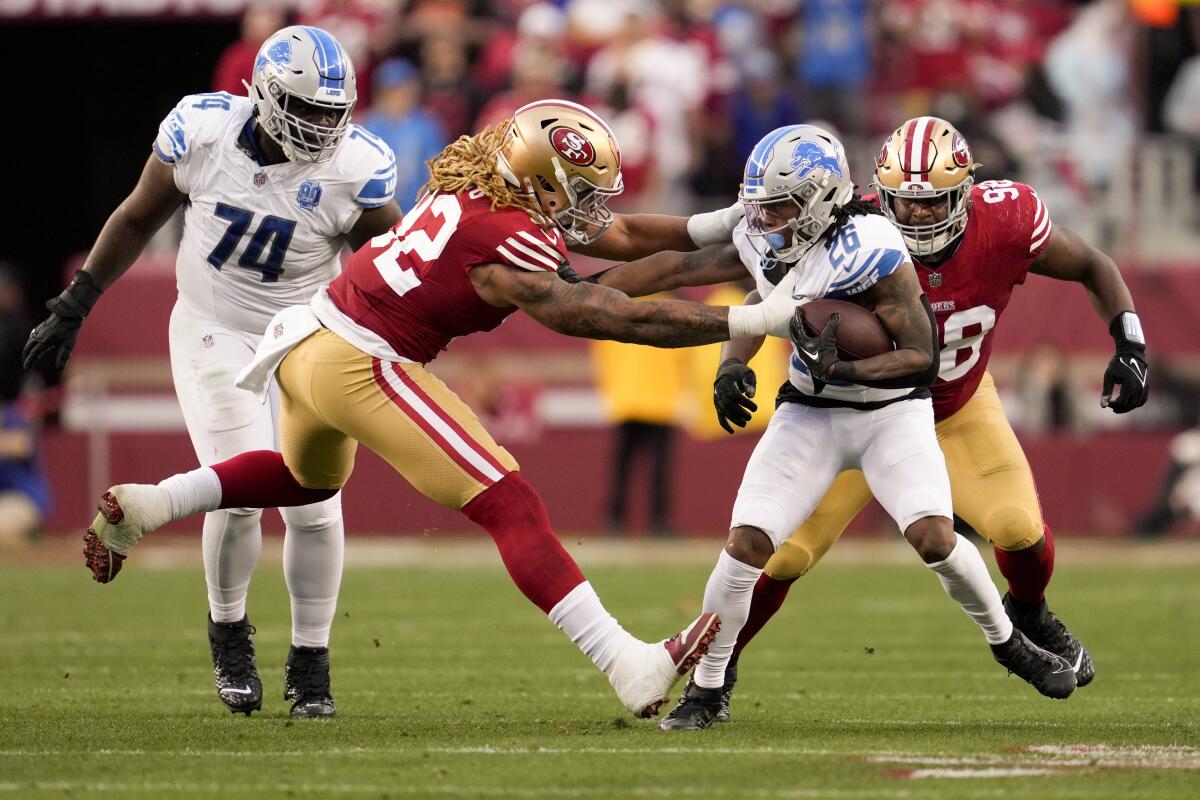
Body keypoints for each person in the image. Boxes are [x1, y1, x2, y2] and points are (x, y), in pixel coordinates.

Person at [77, 100, 799, 720]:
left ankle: (152, 504)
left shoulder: (479, 185)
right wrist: (751, 323)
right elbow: (602, 314)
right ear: (541, 182)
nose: (587, 207)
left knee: (306, 482)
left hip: (308, 342)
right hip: (363, 359)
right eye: (575, 191)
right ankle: (625, 662)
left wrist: (719, 225)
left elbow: (619, 239)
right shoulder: (505, 235)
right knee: (509, 501)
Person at [591, 124, 1081, 731]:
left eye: (781, 207)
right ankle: (710, 687)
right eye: (762, 208)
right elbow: (683, 267)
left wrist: (846, 364)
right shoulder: (765, 233)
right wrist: (591, 300)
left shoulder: (873, 242)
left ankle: (1011, 643)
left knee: (933, 534)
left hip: (892, 410)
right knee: (748, 548)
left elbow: (920, 353)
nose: (767, 221)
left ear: (820, 198)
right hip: (810, 410)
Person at [23, 26, 404, 719]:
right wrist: (78, 300)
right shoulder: (202, 132)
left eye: (332, 112)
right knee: (241, 486)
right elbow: (139, 216)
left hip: (305, 339)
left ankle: (311, 665)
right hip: (214, 328)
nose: (322, 126)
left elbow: (396, 265)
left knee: (317, 507)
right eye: (307, 110)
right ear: (262, 94)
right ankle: (229, 632)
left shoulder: (356, 169)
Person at [717, 117, 1150, 723]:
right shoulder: (850, 226)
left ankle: (1029, 612)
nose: (916, 217)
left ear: (966, 192)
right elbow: (762, 299)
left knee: (1018, 526)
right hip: (857, 412)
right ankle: (720, 666)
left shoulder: (1007, 220)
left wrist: (1129, 343)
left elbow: (1093, 264)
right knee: (784, 555)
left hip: (957, 404)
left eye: (932, 203)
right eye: (904, 203)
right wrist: (733, 363)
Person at [360, 58, 447, 209]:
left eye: (403, 91)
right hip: (375, 213)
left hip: (416, 211)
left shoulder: (428, 126)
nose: (398, 98)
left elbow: (437, 173)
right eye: (391, 92)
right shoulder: (367, 126)